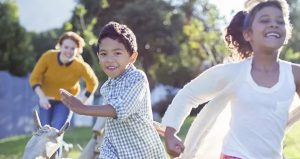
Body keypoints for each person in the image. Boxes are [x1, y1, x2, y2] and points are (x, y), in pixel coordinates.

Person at [162, 0, 300, 159]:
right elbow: (189, 94)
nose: (274, 24)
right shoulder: (234, 73)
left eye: (280, 21)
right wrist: (170, 132)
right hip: (235, 156)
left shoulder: (295, 74)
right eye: (264, 20)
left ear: (287, 32)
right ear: (248, 34)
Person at [60, 21, 167, 159]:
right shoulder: (107, 87)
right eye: (104, 54)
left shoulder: (137, 78)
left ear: (132, 57)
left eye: (117, 53)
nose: (109, 59)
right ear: (98, 56)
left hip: (142, 151)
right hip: (114, 147)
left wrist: (83, 108)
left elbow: (120, 108)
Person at [29, 31, 99, 130]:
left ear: (78, 50)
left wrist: (82, 101)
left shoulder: (80, 66)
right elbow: (34, 78)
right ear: (60, 46)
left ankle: (58, 145)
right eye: (66, 47)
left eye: (73, 48)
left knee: (57, 130)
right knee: (44, 130)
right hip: (46, 98)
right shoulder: (48, 57)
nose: (69, 51)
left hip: (65, 102)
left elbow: (93, 83)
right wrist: (42, 97)